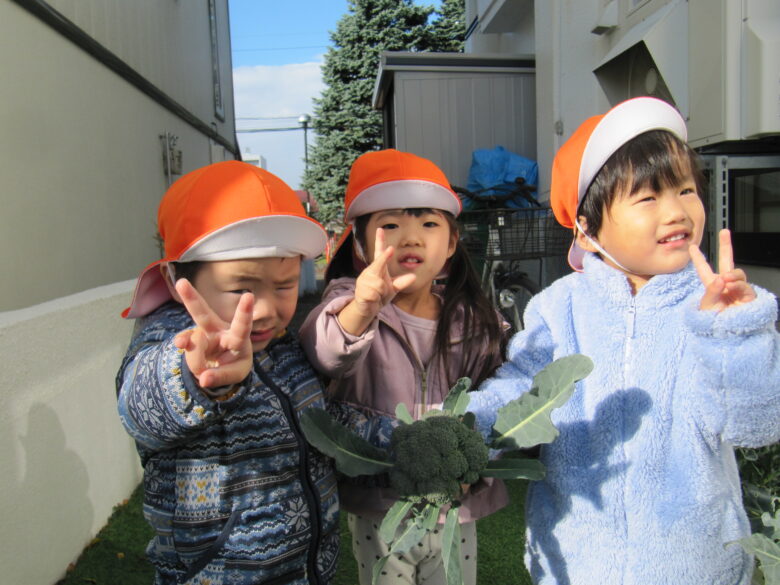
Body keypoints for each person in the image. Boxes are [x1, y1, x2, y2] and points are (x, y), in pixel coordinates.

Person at [466, 97, 780, 585]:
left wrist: (734, 336)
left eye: (686, 190)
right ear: (587, 230)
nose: (677, 211)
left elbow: (754, 427)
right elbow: (521, 391)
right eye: (649, 197)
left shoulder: (718, 305)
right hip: (575, 560)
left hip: (694, 563)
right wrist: (466, 430)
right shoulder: (559, 307)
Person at [116, 161, 339, 585]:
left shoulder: (283, 345)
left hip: (309, 570)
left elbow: (322, 424)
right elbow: (139, 408)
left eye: (285, 284)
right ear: (175, 275)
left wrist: (394, 437)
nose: (267, 309)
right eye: (242, 288)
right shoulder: (170, 342)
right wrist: (193, 374)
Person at [299, 149, 509, 585]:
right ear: (359, 244)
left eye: (429, 224)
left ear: (451, 244)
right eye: (390, 225)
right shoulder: (348, 301)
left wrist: (477, 460)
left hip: (455, 506)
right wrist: (363, 306)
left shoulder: (473, 319)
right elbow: (325, 352)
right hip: (381, 502)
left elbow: (498, 399)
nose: (411, 237)